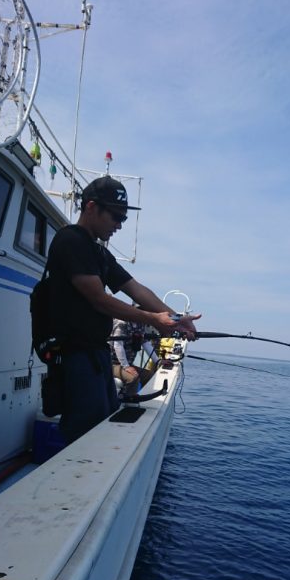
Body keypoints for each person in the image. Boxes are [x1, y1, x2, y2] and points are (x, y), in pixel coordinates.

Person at [47, 175, 200, 443]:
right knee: (84, 438)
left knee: (101, 427)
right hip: (75, 359)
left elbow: (137, 290)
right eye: (116, 216)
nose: (119, 225)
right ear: (91, 207)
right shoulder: (70, 242)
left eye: (124, 219)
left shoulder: (99, 254)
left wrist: (176, 319)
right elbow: (99, 299)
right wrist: (153, 318)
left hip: (96, 357)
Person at [110, 313, 159, 397]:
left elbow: (145, 343)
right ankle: (128, 401)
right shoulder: (121, 323)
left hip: (127, 364)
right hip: (111, 364)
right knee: (133, 378)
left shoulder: (140, 324)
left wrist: (158, 361)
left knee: (149, 376)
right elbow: (118, 345)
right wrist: (126, 366)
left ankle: (141, 397)